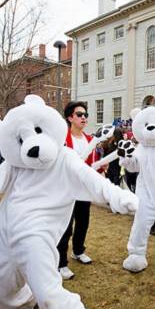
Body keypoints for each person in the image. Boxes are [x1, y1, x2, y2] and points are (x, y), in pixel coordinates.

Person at [57, 101, 97, 280]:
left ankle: (78, 251)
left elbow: (92, 165)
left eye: (85, 115)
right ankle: (61, 263)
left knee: (83, 222)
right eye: (79, 114)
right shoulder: (61, 138)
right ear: (70, 117)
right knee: (65, 226)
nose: (83, 117)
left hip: (84, 189)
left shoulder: (90, 140)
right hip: (66, 188)